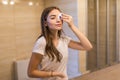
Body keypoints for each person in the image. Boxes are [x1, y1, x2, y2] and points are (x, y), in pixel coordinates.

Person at [27, 6, 93, 80]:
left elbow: (88, 46)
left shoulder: (64, 39)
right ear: (45, 23)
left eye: (59, 17)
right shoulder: (42, 42)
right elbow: (31, 72)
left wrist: (72, 26)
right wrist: (55, 74)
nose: (58, 20)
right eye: (53, 18)